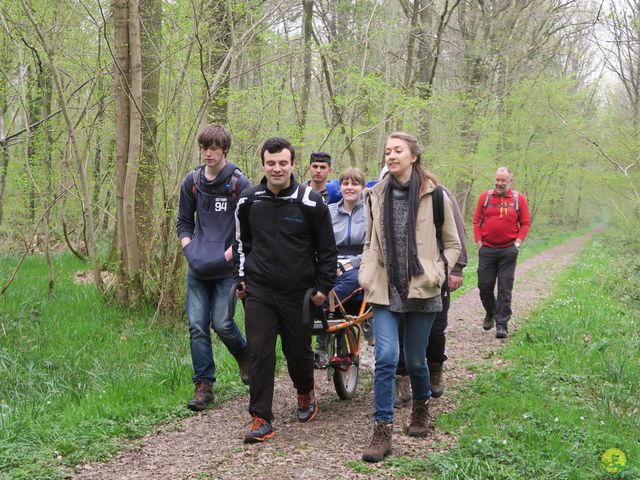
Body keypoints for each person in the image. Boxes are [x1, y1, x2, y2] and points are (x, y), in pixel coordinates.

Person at [358, 132, 461, 463]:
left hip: (422, 289)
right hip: (385, 288)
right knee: (387, 357)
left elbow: (453, 244)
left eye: (397, 151)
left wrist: (437, 272)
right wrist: (366, 270)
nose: (391, 156)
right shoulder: (375, 194)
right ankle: (382, 430)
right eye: (387, 151)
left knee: (416, 360)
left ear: (413, 156)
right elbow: (368, 241)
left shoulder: (435, 194)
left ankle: (421, 407)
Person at [234, 137, 337, 444]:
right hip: (260, 291)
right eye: (270, 163)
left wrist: (322, 287)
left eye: (282, 163)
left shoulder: (311, 201)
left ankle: (305, 393)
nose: (276, 168)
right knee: (260, 353)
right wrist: (241, 277)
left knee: (298, 354)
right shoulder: (249, 200)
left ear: (292, 164)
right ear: (263, 165)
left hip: (299, 293)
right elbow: (242, 242)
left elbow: (327, 250)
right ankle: (261, 418)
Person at [176, 124, 251, 411]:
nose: (208, 153)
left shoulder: (238, 184)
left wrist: (230, 255)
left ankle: (245, 357)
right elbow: (183, 220)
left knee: (222, 323)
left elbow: (246, 227)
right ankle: (203, 385)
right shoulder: (191, 182)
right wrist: (188, 247)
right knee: (197, 326)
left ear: (224, 151)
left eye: (214, 149)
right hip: (197, 267)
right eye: (205, 148)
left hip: (226, 269)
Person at [395, 183, 467, 404]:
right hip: (397, 277)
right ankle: (402, 377)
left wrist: (455, 268)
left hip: (433, 274)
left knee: (436, 328)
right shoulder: (386, 192)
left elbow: (455, 234)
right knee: (398, 328)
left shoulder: (438, 193)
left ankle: (435, 365)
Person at [314, 167, 373, 369]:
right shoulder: (328, 212)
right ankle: (319, 348)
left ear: (363, 188)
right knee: (317, 280)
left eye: (355, 183)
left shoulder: (370, 211)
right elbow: (319, 243)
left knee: (354, 279)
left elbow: (375, 247)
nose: (350, 187)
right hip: (332, 260)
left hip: (361, 261)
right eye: (346, 183)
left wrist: (351, 263)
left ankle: (317, 307)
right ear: (340, 187)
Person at [473, 167, 531, 339]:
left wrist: (517, 243)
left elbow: (526, 223)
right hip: (487, 249)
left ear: (510, 181)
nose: (499, 183)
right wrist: (479, 243)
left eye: (503, 180)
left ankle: (502, 324)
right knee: (484, 286)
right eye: (497, 180)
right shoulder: (485, 197)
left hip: (508, 250)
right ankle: (491, 312)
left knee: (505, 288)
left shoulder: (518, 199)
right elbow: (476, 221)